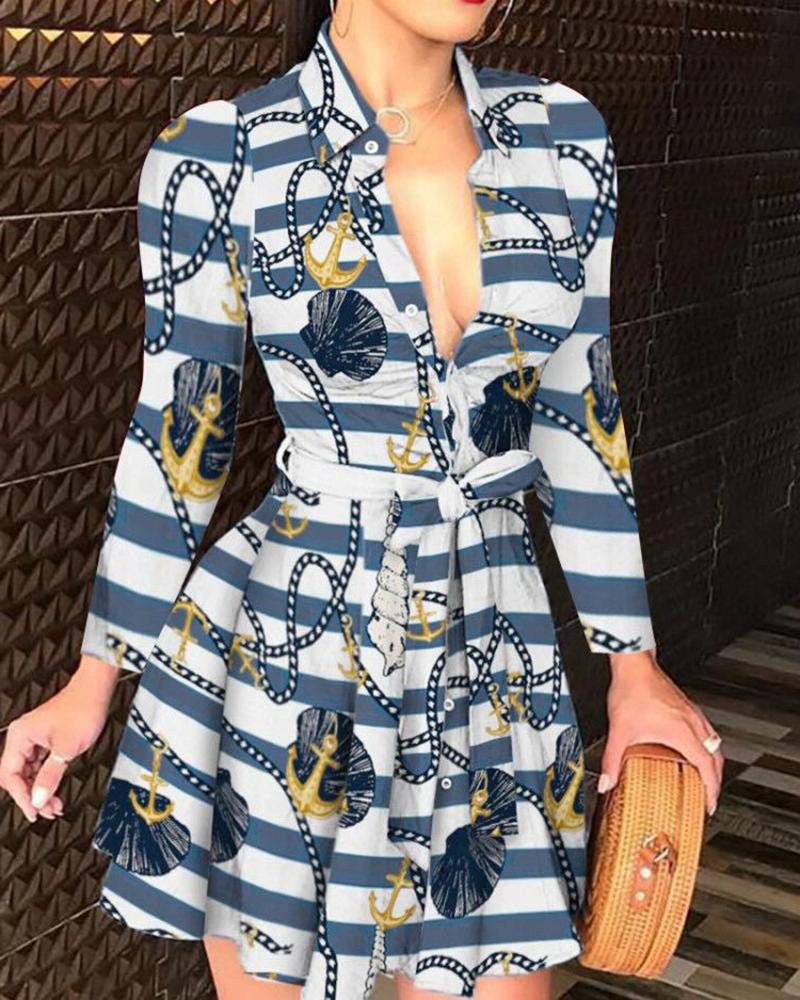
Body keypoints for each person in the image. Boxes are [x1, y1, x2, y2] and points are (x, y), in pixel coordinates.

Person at [0, 1, 724, 998]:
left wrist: (632, 666)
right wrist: (94, 677)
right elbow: (179, 437)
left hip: (494, 649)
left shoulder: (563, 137)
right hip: (286, 644)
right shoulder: (218, 155)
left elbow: (578, 410)